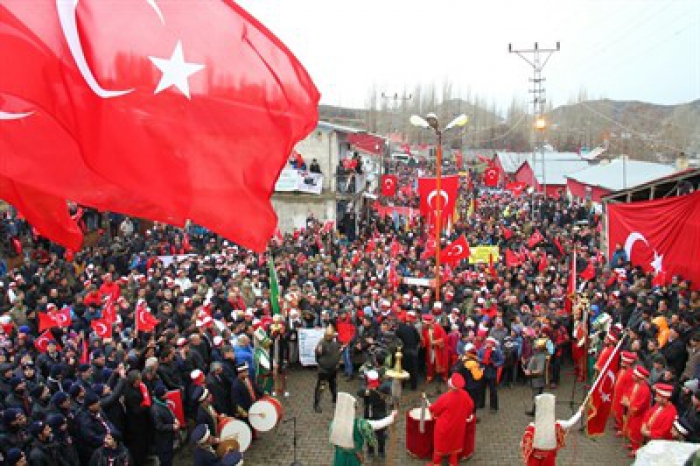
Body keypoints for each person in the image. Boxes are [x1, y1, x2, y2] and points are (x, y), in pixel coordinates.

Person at [329, 392, 396, 466]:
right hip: (354, 458)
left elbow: (333, 441)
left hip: (339, 457)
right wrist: (392, 416)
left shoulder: (333, 423)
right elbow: (378, 424)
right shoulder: (360, 424)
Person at [520, 394, 583, 466]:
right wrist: (580, 412)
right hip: (548, 458)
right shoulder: (556, 425)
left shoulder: (531, 428)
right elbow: (570, 423)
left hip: (535, 459)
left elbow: (523, 444)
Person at [428, 373, 473, 466]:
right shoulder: (465, 394)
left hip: (445, 427)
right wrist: (466, 415)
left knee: (440, 444)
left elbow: (435, 409)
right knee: (454, 443)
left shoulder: (445, 397)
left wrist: (430, 408)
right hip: (458, 426)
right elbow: (470, 406)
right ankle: (453, 462)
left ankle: (436, 463)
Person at [356, 370, 390, 459]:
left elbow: (359, 392)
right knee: (381, 435)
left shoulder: (367, 390)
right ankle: (381, 452)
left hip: (370, 415)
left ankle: (371, 451)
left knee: (369, 434)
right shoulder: (383, 387)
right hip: (381, 415)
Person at [639, 383, 677, 451]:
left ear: (663, 398)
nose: (655, 398)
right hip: (649, 436)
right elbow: (649, 413)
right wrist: (644, 425)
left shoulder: (671, 412)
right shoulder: (659, 404)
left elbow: (664, 432)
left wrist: (648, 433)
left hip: (658, 443)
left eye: (657, 396)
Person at [623, 365, 651, 456]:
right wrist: (626, 398)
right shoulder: (636, 384)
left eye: (634, 375)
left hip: (639, 415)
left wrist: (628, 404)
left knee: (636, 432)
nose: (632, 376)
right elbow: (628, 392)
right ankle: (632, 444)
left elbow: (640, 406)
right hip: (632, 413)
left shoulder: (645, 390)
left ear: (639, 377)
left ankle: (636, 449)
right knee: (631, 429)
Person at [151, 384, 180, 466]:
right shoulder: (156, 410)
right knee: (166, 460)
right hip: (163, 441)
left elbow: (170, 412)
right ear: (161, 396)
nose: (168, 394)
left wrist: (174, 419)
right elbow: (159, 426)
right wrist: (172, 427)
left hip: (168, 437)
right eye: (165, 393)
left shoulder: (163, 403)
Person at [315, 324, 341, 413]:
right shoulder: (321, 344)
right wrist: (323, 364)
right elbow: (317, 356)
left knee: (333, 386)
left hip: (333, 370)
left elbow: (337, 354)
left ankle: (335, 399)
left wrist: (336, 363)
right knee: (321, 387)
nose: (329, 337)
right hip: (324, 370)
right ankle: (316, 404)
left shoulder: (335, 344)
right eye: (328, 335)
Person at [613, 351, 637, 436]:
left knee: (622, 413)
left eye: (623, 362)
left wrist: (625, 398)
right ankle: (619, 425)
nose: (621, 363)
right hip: (617, 394)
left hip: (622, 397)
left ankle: (623, 429)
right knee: (617, 412)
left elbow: (629, 388)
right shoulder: (622, 370)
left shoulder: (630, 374)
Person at [478, 337, 504, 413]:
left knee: (493, 390)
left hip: (492, 372)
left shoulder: (497, 351)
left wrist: (495, 364)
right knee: (481, 389)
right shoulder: (482, 350)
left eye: (490, 343)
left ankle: (493, 407)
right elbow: (478, 357)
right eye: (487, 342)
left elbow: (501, 360)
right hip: (483, 371)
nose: (488, 344)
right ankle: (481, 403)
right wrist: (482, 361)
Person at [421, 314, 448, 385]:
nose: (424, 325)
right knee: (430, 363)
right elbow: (424, 339)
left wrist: (436, 342)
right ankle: (430, 375)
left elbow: (444, 338)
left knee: (442, 362)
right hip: (430, 349)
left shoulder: (438, 327)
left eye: (425, 324)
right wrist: (423, 341)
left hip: (439, 349)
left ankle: (444, 376)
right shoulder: (425, 330)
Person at [525, 338, 548, 416]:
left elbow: (540, 370)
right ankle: (535, 411)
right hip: (534, 380)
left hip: (537, 380)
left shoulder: (541, 357)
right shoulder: (537, 355)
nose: (534, 346)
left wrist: (530, 372)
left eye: (535, 345)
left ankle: (537, 412)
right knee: (536, 396)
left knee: (537, 397)